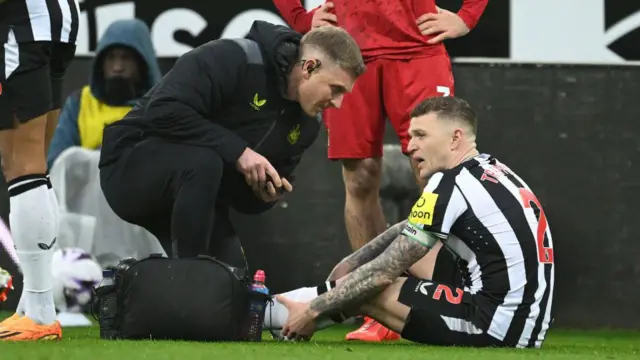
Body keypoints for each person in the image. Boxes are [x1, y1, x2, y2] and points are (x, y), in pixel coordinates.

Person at [264, 96, 556, 348]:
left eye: (421, 135)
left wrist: (312, 311)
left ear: (455, 138)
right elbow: (407, 230)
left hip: (498, 325)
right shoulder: (492, 169)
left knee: (370, 288)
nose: (410, 146)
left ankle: (264, 314)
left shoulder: (448, 184)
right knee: (368, 273)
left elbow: (381, 274)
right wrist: (353, 261)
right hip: (522, 320)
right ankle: (278, 312)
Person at [273, 0, 488, 340]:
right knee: (359, 179)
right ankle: (376, 311)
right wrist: (299, 18)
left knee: (435, 177)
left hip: (419, 49)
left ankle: (448, 302)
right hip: (349, 52)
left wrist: (468, 16)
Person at [98, 21, 365, 271]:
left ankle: (189, 297)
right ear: (309, 67)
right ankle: (187, 283)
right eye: (335, 89)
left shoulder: (307, 125)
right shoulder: (235, 58)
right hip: (129, 164)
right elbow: (162, 111)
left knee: (234, 290)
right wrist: (240, 152)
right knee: (205, 163)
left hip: (196, 191)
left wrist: (262, 196)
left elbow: (241, 201)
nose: (338, 103)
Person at [0, 0, 80, 341]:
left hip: (21, 18)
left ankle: (39, 313)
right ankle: (35, 304)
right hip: (60, 16)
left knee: (21, 163)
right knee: (33, 168)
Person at [47, 19, 162, 169]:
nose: (117, 67)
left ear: (142, 64)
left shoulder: (160, 105)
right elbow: (56, 162)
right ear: (101, 64)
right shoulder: (80, 103)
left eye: (126, 58)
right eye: (111, 57)